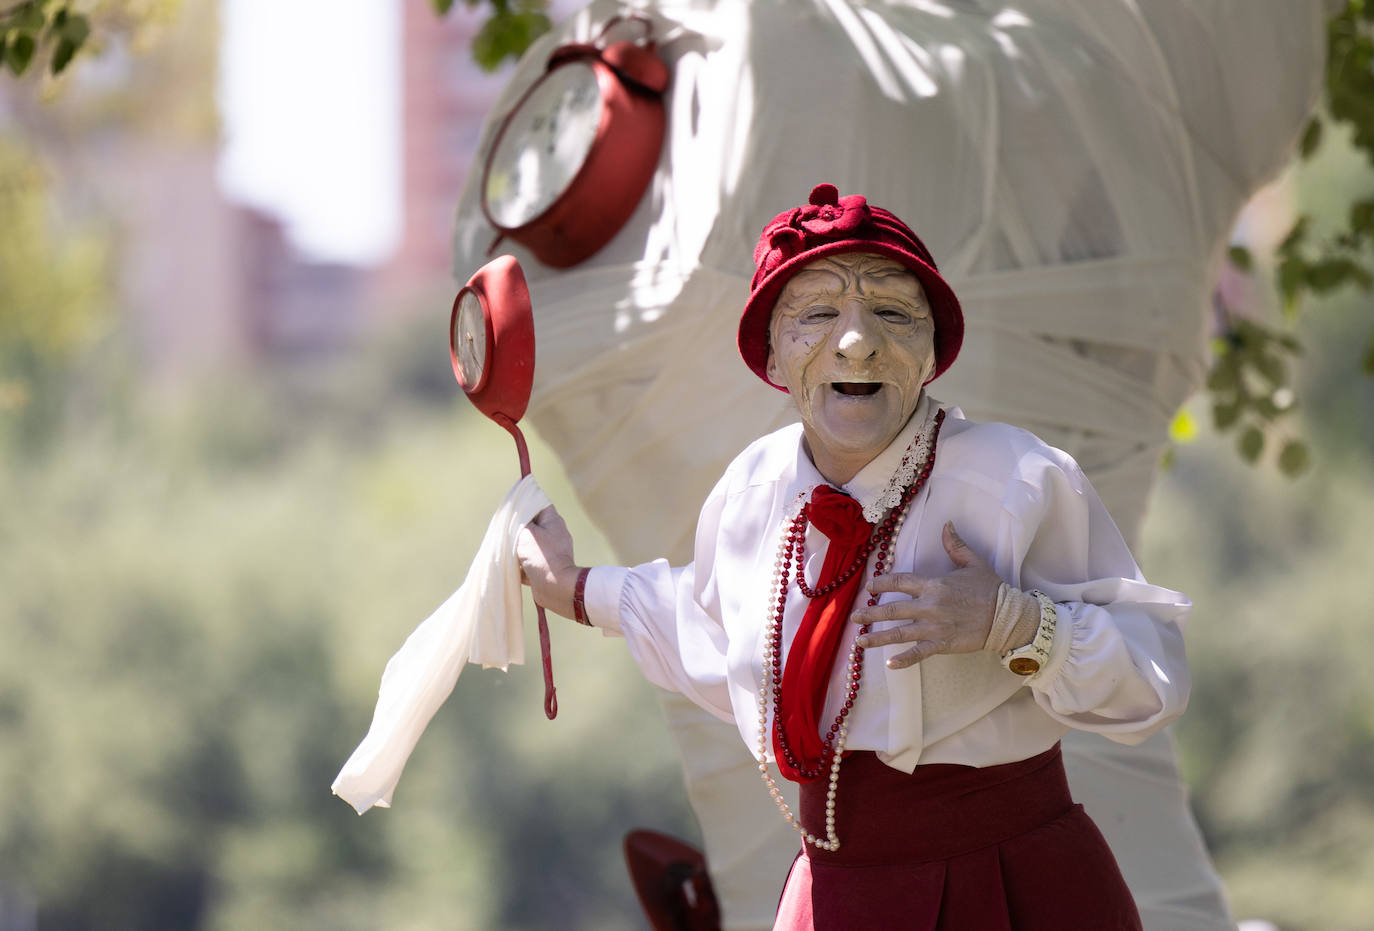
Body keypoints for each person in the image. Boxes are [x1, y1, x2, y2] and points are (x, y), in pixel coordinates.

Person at [517, 183, 1190, 928]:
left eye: (893, 312)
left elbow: (1153, 679)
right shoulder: (753, 490)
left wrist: (1015, 622)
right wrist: (572, 587)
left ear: (933, 347)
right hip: (832, 893)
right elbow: (707, 625)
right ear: (771, 351)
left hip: (1014, 883)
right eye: (817, 313)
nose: (857, 341)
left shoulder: (1016, 478)